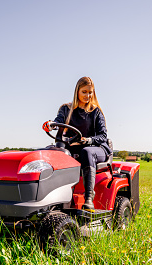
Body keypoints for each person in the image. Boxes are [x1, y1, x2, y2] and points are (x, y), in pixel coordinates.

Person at [42, 76, 111, 210]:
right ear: (77, 91)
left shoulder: (95, 112)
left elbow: (103, 135)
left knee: (87, 152)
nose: (88, 95)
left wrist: (88, 140)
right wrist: (51, 125)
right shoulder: (66, 109)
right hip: (73, 147)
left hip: (97, 148)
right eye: (84, 92)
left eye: (90, 92)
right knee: (50, 151)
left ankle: (89, 197)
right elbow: (58, 121)